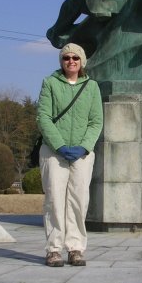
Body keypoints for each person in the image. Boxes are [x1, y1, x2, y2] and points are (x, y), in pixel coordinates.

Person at [36, 43, 103, 267]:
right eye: (66, 58)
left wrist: (84, 147)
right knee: (54, 199)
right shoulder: (50, 83)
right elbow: (43, 117)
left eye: (75, 57)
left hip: (82, 154)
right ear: (61, 61)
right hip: (54, 152)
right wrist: (60, 145)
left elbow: (96, 121)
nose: (71, 61)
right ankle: (53, 249)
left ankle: (75, 248)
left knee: (78, 200)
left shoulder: (92, 86)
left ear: (82, 61)